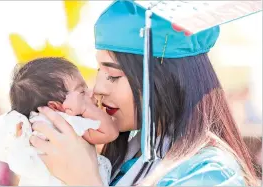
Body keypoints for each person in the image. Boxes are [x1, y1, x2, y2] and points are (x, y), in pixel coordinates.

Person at [24, 1, 259, 186]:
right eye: (99, 71)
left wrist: (85, 181)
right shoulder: (128, 157)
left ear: (162, 77)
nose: (98, 89)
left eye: (114, 75)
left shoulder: (209, 174)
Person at [0, 57, 118, 186]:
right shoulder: (72, 123)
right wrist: (85, 107)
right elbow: (110, 132)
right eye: (82, 91)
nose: (91, 92)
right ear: (55, 107)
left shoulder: (31, 128)